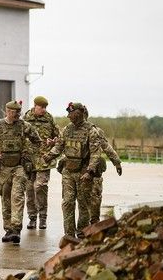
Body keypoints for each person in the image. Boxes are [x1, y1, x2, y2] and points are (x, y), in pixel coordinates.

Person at [0, 100, 41, 244]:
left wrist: (28, 153)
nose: (16, 115)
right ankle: (8, 229)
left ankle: (16, 230)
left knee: (17, 196)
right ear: (7, 111)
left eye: (18, 113)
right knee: (6, 198)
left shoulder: (24, 126)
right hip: (3, 168)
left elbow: (37, 141)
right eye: (13, 112)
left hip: (19, 167)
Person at [42, 102, 101, 238]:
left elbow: (95, 154)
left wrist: (89, 171)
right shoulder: (67, 129)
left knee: (83, 203)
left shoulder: (91, 130)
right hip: (68, 171)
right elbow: (59, 146)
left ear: (79, 113)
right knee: (68, 202)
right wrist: (49, 155)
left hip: (83, 172)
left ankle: (82, 232)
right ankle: (68, 234)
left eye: (71, 113)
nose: (69, 116)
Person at [23, 95, 60, 230]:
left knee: (40, 187)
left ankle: (43, 218)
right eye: (41, 107)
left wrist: (54, 141)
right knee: (29, 189)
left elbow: (59, 136)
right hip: (29, 160)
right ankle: (32, 218)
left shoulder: (49, 119)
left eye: (45, 108)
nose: (44, 110)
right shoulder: (25, 119)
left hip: (44, 159)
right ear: (35, 106)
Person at [84, 107, 122, 225]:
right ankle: (83, 225)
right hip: (79, 170)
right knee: (82, 200)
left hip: (95, 170)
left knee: (95, 196)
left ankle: (94, 222)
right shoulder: (71, 130)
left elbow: (106, 147)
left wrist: (117, 162)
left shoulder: (96, 131)